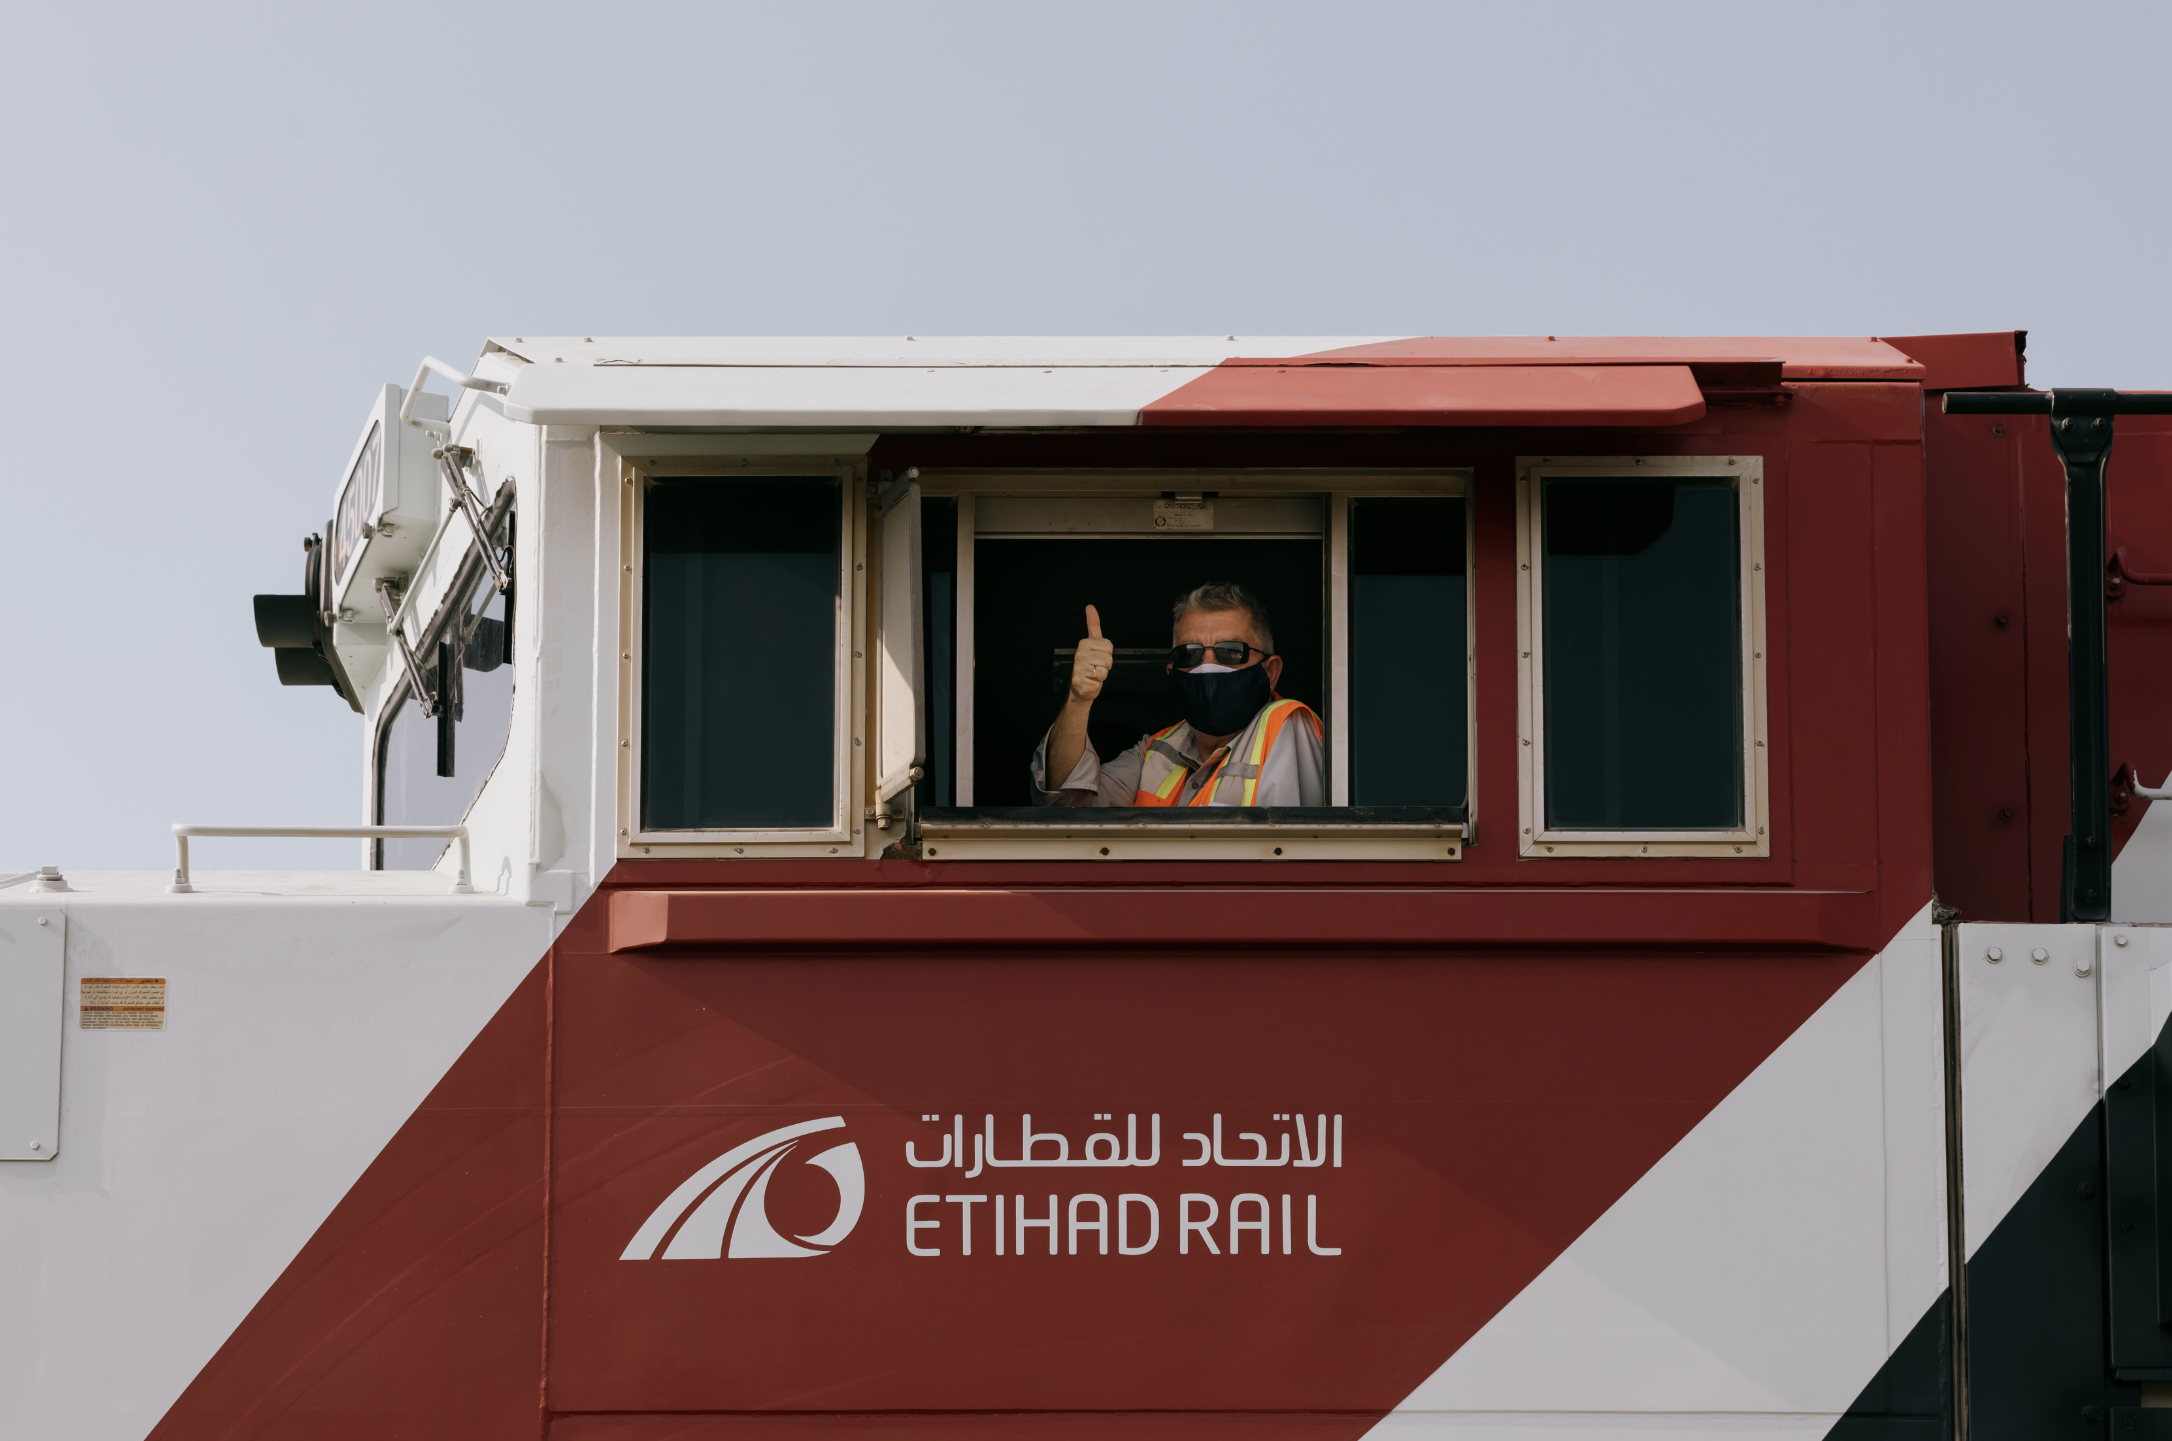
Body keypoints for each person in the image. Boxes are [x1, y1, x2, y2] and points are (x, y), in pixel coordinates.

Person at [1032, 581, 1325, 807]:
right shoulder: (1155, 752)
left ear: (1270, 672)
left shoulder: (1288, 727)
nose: (1208, 666)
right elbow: (1066, 804)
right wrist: (1078, 699)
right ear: (1172, 673)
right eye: (1190, 654)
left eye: (1231, 652)